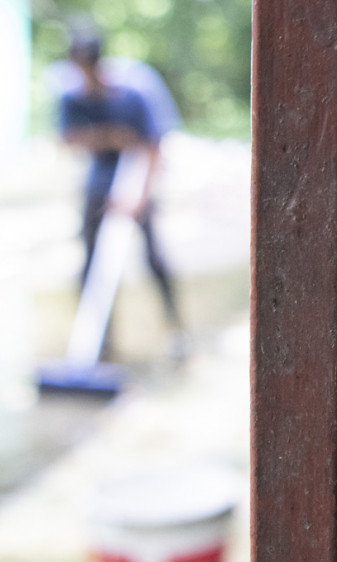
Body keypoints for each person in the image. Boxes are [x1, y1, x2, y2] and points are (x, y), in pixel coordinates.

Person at [57, 26, 186, 358]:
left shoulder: (133, 94)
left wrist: (140, 196)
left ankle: (176, 332)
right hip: (98, 186)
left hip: (135, 183)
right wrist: (111, 137)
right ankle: (100, 343)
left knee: (154, 259)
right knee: (90, 261)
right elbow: (67, 138)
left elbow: (154, 147)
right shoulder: (72, 98)